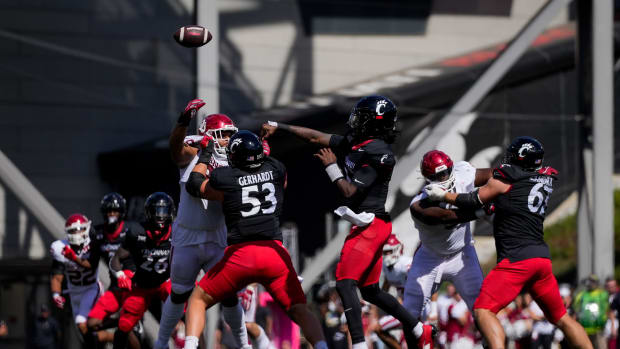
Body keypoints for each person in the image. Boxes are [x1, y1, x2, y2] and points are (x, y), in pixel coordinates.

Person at [261, 95, 433, 348]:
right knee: (370, 290)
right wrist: (281, 127)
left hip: (370, 224)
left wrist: (332, 167)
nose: (355, 120)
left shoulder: (379, 153)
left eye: (362, 117)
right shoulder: (358, 142)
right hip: (368, 223)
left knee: (344, 282)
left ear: (374, 123)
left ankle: (361, 345)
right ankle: (419, 328)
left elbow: (350, 192)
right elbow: (315, 137)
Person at [423, 136, 593, 349]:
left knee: (483, 310)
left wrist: (445, 196)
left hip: (517, 260)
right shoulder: (543, 179)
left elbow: (475, 199)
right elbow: (509, 206)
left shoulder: (507, 179)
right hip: (541, 259)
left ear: (519, 159)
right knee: (562, 318)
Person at [183, 130, 328, 349]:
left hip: (241, 256)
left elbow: (195, 185)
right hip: (274, 254)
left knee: (197, 300)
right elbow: (279, 179)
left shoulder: (225, 178)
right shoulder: (276, 168)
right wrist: (264, 148)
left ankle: (190, 346)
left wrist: (206, 154)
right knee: (300, 309)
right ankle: (322, 347)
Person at [155, 99, 251, 349]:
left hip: (217, 237)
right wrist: (183, 121)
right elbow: (175, 148)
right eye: (222, 135)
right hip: (187, 237)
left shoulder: (236, 162)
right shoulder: (192, 154)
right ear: (207, 136)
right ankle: (161, 342)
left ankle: (244, 344)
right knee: (178, 295)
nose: (228, 140)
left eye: (231, 135)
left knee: (230, 296)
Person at [405, 150, 491, 323]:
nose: (444, 177)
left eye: (446, 172)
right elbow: (446, 216)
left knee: (483, 310)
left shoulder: (463, 175)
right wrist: (482, 210)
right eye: (439, 175)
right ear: (427, 177)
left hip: (462, 253)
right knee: (410, 314)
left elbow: (495, 174)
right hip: (429, 257)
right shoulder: (418, 204)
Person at [109, 192, 175, 349]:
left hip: (166, 281)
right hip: (142, 284)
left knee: (190, 310)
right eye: (157, 211)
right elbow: (115, 259)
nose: (161, 216)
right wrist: (119, 274)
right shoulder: (137, 232)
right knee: (124, 326)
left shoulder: (177, 233)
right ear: (148, 213)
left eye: (164, 211)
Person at [87, 192, 140, 348]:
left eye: (115, 211)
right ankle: (121, 322)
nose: (111, 214)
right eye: (109, 211)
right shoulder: (98, 234)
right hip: (116, 287)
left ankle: (126, 324)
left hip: (133, 287)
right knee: (92, 323)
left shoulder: (132, 230)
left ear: (121, 212)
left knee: (131, 332)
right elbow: (92, 262)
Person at [49, 213, 101, 347]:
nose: (78, 232)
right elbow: (57, 275)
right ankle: (112, 338)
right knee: (83, 332)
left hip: (91, 288)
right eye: (74, 230)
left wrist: (73, 258)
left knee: (81, 321)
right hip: (73, 292)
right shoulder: (61, 248)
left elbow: (91, 266)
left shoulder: (92, 244)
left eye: (81, 228)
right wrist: (56, 294)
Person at [573, 274, 609, 349]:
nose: (591, 283)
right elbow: (575, 309)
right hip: (585, 330)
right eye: (589, 281)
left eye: (593, 281)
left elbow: (608, 309)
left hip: (599, 330)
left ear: (597, 282)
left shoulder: (602, 294)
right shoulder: (582, 295)